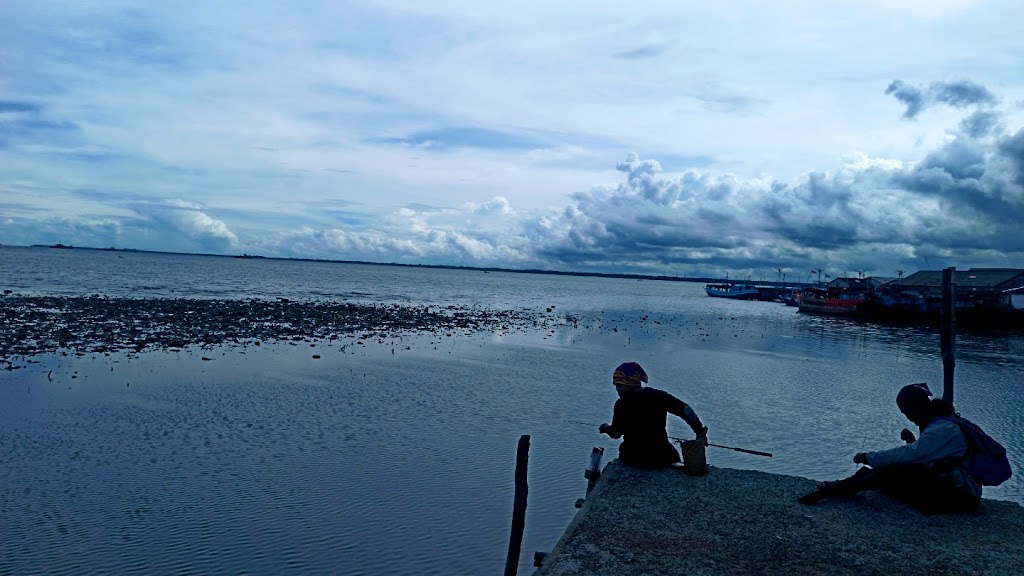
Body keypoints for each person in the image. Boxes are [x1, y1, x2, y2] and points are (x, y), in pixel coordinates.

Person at [798, 382, 981, 514]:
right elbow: (928, 456)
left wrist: (868, 457)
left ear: (916, 408)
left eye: (907, 413)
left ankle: (839, 488)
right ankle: (844, 486)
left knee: (894, 470)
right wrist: (912, 442)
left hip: (962, 495)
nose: (909, 418)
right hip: (955, 488)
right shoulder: (941, 423)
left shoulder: (942, 430)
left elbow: (909, 456)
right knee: (892, 476)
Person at [598, 361, 708, 469]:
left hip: (633, 458)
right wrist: (699, 430)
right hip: (662, 456)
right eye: (616, 385)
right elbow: (686, 410)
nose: (617, 389)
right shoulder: (659, 396)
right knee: (673, 454)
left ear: (630, 382)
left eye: (620, 385)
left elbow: (616, 434)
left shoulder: (621, 404)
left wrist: (605, 428)